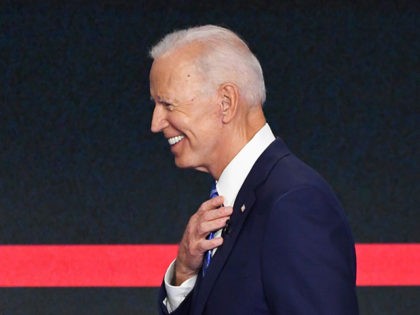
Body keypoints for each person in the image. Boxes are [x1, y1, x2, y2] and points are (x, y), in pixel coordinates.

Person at [149, 25, 359, 315]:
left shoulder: (295, 203)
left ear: (226, 103)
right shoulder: (234, 203)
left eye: (167, 104)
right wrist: (184, 273)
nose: (156, 123)